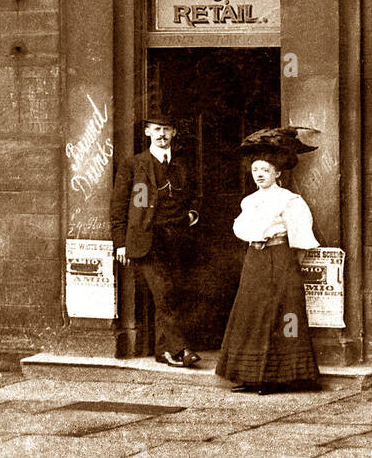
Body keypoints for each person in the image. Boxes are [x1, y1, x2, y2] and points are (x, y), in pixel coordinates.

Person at [216, 127, 321, 394]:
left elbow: (300, 239)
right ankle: (250, 375)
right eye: (255, 170)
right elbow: (242, 229)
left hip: (280, 259)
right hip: (255, 260)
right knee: (251, 313)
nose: (259, 174)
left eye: (265, 169)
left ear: (277, 173)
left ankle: (281, 377)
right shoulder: (249, 201)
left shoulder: (290, 200)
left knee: (282, 315)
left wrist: (288, 268)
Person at [110, 110, 200, 368]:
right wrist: (121, 243)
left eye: (166, 129)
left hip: (177, 240)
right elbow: (118, 205)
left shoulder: (183, 164)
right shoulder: (133, 164)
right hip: (146, 241)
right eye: (156, 129)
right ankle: (181, 349)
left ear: (174, 133)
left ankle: (165, 351)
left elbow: (195, 195)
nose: (162, 134)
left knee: (173, 295)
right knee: (164, 293)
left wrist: (193, 213)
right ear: (147, 132)